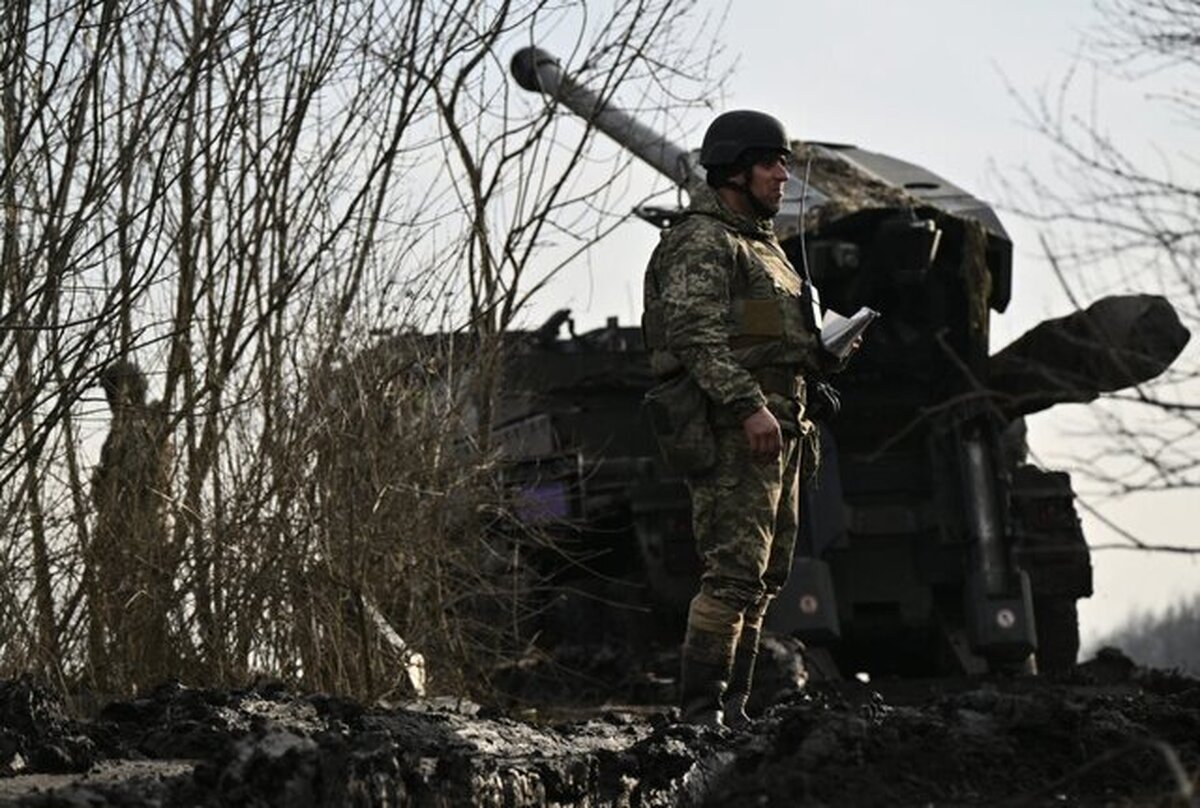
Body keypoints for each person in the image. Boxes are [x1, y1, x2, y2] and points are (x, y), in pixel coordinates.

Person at [642, 110, 841, 727]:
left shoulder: (765, 247)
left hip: (779, 429)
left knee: (762, 580)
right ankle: (701, 716)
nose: (784, 175)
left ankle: (733, 709)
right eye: (770, 162)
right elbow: (697, 336)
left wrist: (821, 356)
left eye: (783, 162)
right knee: (731, 575)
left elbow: (760, 334)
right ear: (735, 171)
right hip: (736, 431)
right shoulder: (704, 240)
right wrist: (749, 406)